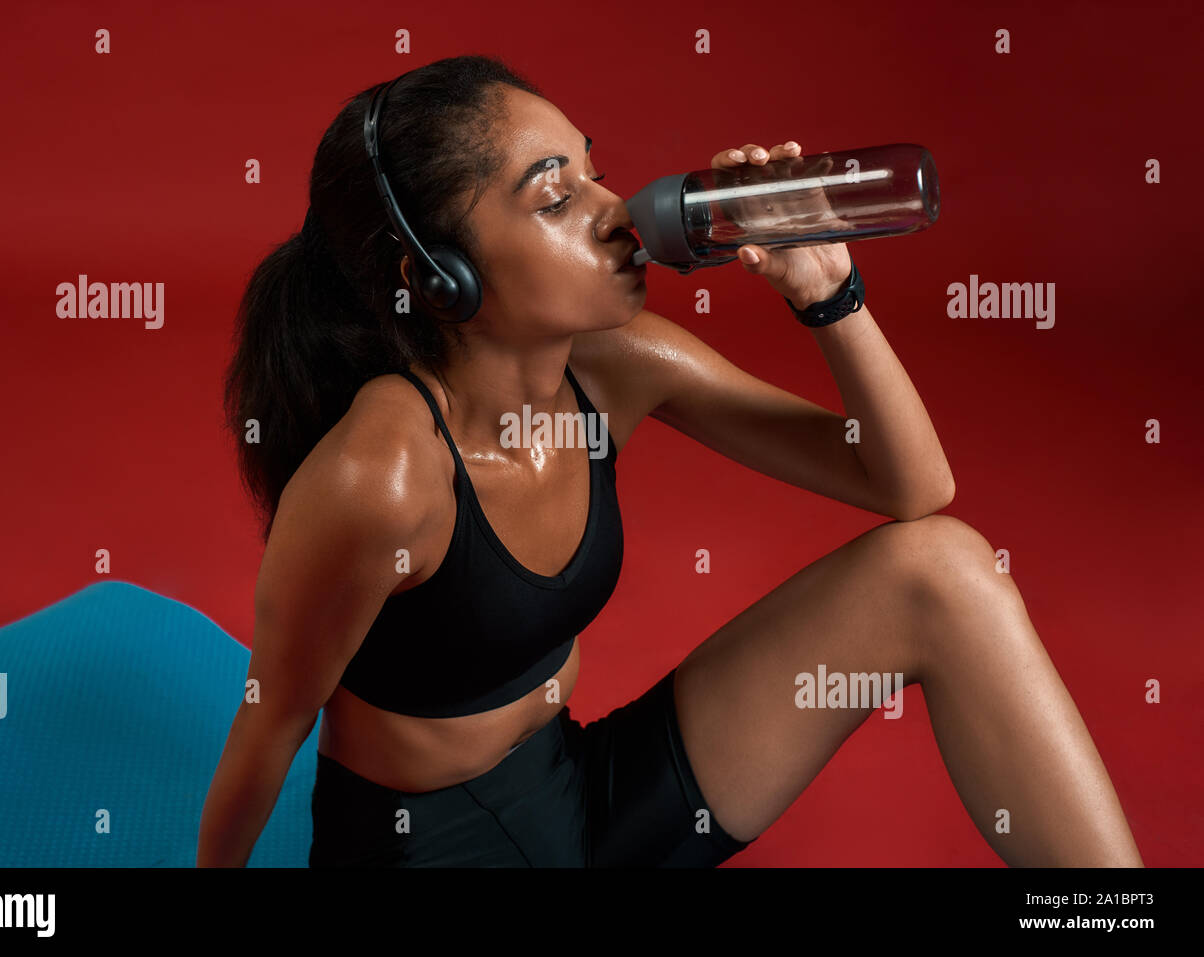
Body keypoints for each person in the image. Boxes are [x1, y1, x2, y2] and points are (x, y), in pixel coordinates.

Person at [196, 54, 1143, 867]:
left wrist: (829, 291)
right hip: (427, 848)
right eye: (556, 197)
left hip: (578, 795)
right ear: (438, 277)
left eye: (596, 173)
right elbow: (270, 724)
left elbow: (909, 487)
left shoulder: (615, 367)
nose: (616, 213)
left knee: (943, 568)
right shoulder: (383, 476)